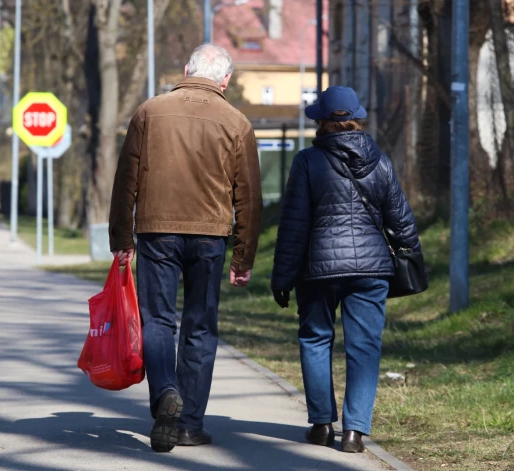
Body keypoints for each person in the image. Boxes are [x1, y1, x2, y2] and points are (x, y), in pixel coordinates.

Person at [109, 44, 263, 453]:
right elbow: (248, 195)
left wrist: (121, 239)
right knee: (199, 326)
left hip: (156, 230)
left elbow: (126, 179)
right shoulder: (237, 123)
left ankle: (165, 396)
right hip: (210, 236)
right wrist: (243, 256)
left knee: (158, 320)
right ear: (225, 80)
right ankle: (190, 424)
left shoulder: (149, 112)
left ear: (185, 69)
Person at [270, 86, 422, 453]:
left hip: (318, 268)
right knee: (365, 347)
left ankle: (322, 425)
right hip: (371, 270)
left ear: (322, 122)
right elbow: (401, 222)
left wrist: (282, 276)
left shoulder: (307, 161)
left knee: (315, 339)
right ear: (357, 118)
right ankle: (354, 432)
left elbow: (294, 226)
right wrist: (413, 259)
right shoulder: (381, 162)